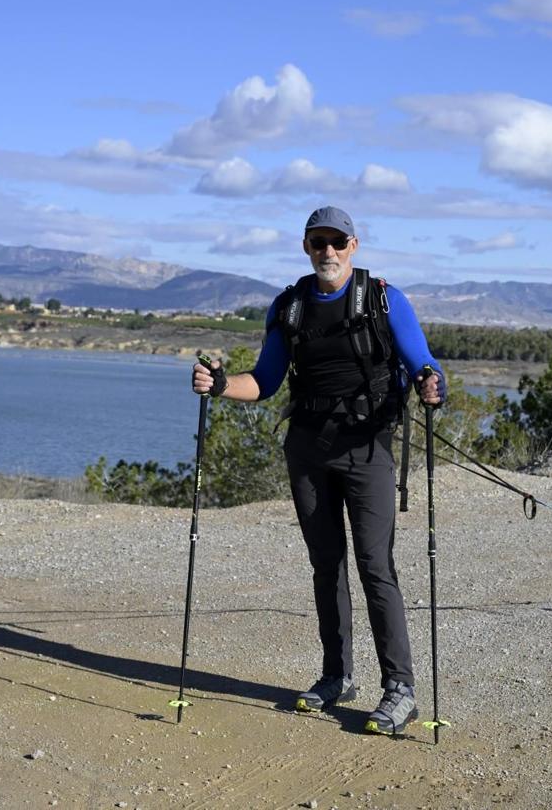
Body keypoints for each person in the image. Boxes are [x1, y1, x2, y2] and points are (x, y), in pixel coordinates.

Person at [192, 205, 445, 735]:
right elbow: (263, 380)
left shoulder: (384, 299)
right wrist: (218, 385)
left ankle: (400, 690)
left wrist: (430, 381)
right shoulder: (289, 306)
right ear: (305, 247)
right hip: (307, 451)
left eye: (336, 241)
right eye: (317, 242)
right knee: (326, 564)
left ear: (354, 246)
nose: (327, 251)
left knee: (376, 566)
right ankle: (336, 676)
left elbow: (422, 359)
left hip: (367, 449)